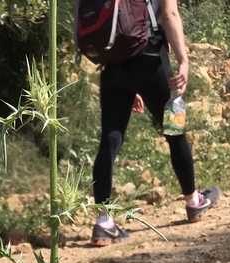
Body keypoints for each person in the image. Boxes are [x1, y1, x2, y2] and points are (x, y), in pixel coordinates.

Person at [90, 0, 220, 247]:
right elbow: (169, 13)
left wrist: (131, 86)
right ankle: (193, 202)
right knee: (175, 130)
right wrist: (183, 60)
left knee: (109, 140)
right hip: (150, 62)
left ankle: (103, 223)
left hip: (113, 65)